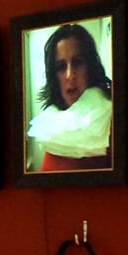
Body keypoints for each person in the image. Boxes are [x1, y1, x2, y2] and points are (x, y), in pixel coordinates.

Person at [25, 24, 113, 171]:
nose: (69, 75)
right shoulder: (54, 124)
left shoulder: (108, 117)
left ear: (90, 66)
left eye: (77, 62)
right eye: (60, 67)